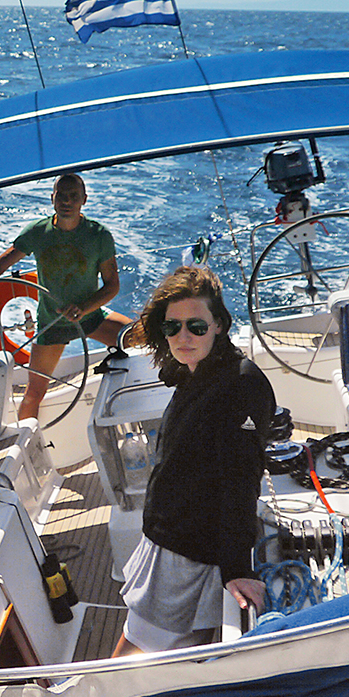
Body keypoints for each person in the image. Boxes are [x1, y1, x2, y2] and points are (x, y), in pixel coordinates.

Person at [114, 265, 274, 655]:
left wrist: (237, 570)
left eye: (196, 327)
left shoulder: (237, 385)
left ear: (219, 325)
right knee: (179, 657)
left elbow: (241, 480)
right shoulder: (196, 370)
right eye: (172, 328)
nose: (182, 337)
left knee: (126, 663)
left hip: (186, 552)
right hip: (171, 538)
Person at [0, 173, 123, 422]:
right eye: (61, 196)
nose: (67, 201)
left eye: (73, 196)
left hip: (91, 318)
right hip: (51, 325)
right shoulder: (39, 232)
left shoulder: (99, 235)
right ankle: (28, 444)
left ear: (84, 199)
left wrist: (83, 307)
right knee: (34, 393)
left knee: (139, 337)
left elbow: (112, 286)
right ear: (52, 199)